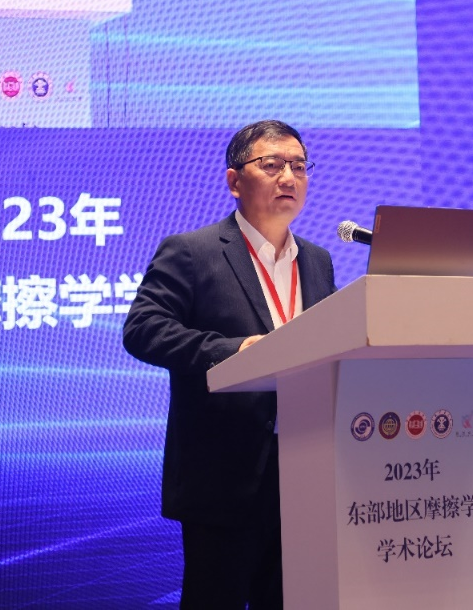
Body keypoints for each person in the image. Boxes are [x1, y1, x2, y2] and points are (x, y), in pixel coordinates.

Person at [123, 120, 336, 609]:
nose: (289, 177)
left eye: (300, 166)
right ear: (234, 181)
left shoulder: (317, 260)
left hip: (306, 468)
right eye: (272, 164)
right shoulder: (192, 252)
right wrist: (233, 352)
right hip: (224, 474)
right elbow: (143, 330)